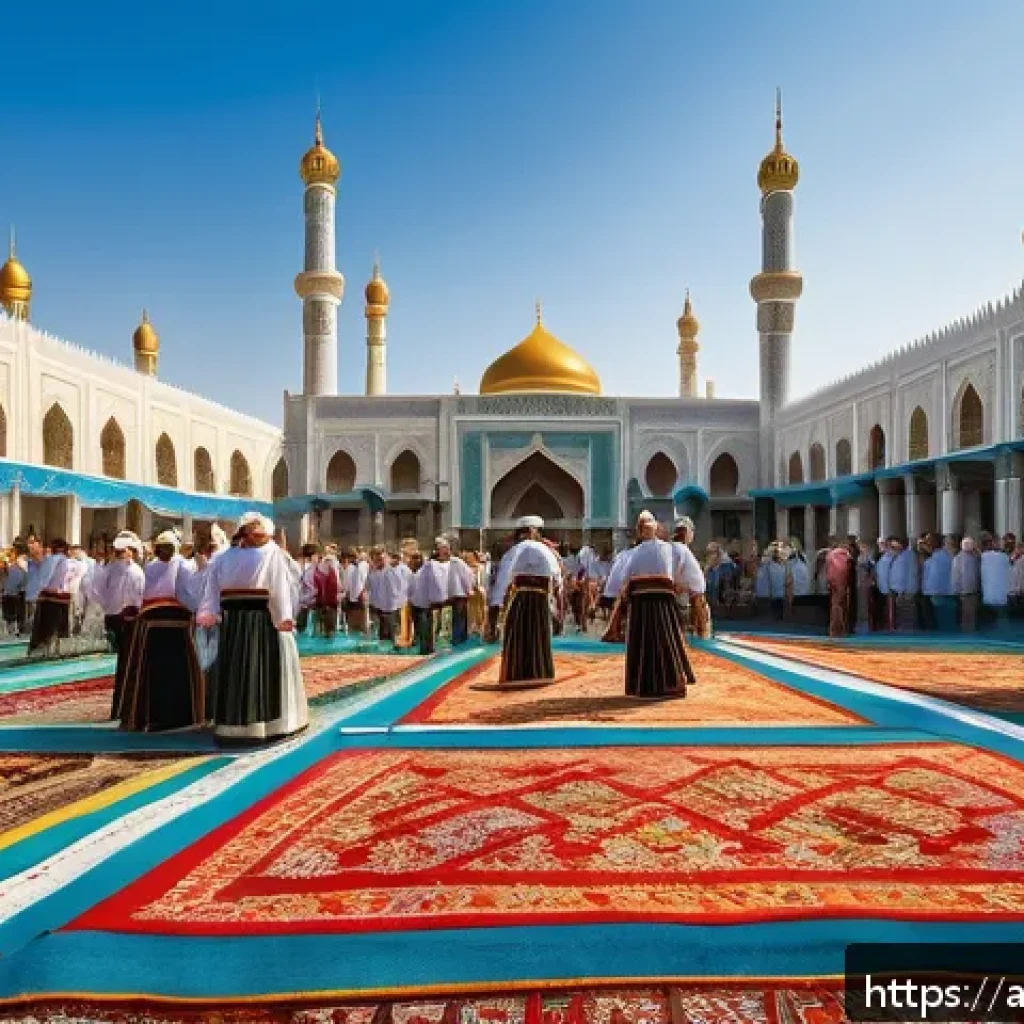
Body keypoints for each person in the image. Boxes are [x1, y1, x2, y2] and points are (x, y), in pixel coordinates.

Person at [198, 512, 308, 744]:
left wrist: (283, 617)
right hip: (240, 620)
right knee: (244, 669)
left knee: (256, 668)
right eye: (254, 532)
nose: (259, 537)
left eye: (261, 532)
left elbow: (279, 587)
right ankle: (235, 727)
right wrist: (209, 612)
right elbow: (212, 587)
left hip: (259, 621)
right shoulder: (225, 557)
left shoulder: (270, 553)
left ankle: (261, 724)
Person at [119, 530, 203, 733]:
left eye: (167, 548)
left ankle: (167, 717)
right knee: (158, 672)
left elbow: (185, 595)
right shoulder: (166, 566)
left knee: (163, 671)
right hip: (163, 628)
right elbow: (186, 595)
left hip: (165, 627)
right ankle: (161, 716)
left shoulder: (174, 565)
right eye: (161, 548)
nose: (164, 552)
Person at [617, 510, 697, 699]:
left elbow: (624, 579)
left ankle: (642, 685)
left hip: (641, 605)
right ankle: (670, 683)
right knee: (666, 639)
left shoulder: (632, 554)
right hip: (663, 603)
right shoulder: (670, 549)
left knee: (642, 641)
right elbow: (679, 574)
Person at [490, 515, 562, 685]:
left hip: (520, 600)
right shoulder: (548, 552)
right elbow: (557, 580)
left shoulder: (513, 552)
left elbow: (503, 582)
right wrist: (556, 609)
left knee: (518, 636)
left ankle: (517, 673)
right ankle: (541, 672)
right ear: (533, 531)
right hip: (541, 600)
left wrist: (496, 608)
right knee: (539, 634)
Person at [94, 530, 145, 719]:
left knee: (128, 663)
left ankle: (124, 707)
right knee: (125, 663)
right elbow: (96, 589)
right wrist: (109, 608)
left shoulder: (135, 571)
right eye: (118, 552)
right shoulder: (112, 570)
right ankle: (121, 707)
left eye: (123, 551)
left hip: (128, 619)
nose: (121, 555)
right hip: (119, 619)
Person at [28, 538, 73, 654]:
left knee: (47, 626)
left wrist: (37, 592)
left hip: (51, 598)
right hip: (62, 597)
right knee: (60, 626)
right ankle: (59, 649)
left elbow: (45, 576)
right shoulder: (67, 561)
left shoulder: (54, 559)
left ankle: (43, 649)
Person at [672, 517, 710, 638]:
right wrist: (678, 586)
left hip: (694, 595)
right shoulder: (678, 548)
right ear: (687, 533)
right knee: (698, 632)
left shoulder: (681, 548)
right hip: (690, 596)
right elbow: (675, 568)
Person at [366, 545, 405, 643]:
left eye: (381, 556)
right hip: (378, 609)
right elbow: (368, 587)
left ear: (385, 556)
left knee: (394, 636)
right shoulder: (372, 572)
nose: (379, 559)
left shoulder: (394, 569)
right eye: (376, 557)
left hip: (393, 609)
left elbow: (401, 587)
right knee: (382, 637)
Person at [921, 533, 955, 632]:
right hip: (945, 593)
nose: (925, 544)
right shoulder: (947, 557)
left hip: (937, 594)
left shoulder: (936, 559)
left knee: (941, 624)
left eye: (927, 542)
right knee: (946, 623)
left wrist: (926, 592)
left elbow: (932, 579)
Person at [979, 531, 1011, 629]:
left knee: (998, 618)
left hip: (993, 595)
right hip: (997, 595)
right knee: (999, 618)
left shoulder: (985, 557)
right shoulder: (987, 557)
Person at [824, 536, 853, 637]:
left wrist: (829, 582)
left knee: (835, 606)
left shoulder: (829, 555)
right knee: (841, 606)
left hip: (833, 583)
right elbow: (847, 570)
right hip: (842, 583)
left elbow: (828, 571)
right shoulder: (845, 555)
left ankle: (833, 630)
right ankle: (840, 630)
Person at [407, 550, 434, 654]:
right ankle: (421, 648)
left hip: (425, 604)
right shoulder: (411, 571)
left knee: (425, 627)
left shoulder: (426, 570)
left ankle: (426, 649)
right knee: (418, 627)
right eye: (413, 558)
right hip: (414, 604)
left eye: (417, 558)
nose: (415, 560)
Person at [952, 537, 980, 631]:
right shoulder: (974, 558)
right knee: (970, 616)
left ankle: (966, 634)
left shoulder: (957, 558)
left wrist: (955, 591)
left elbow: (955, 577)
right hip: (970, 592)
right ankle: (969, 634)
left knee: (965, 616)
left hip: (963, 592)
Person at [314, 544, 342, 638]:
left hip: (324, 602)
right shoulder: (330, 571)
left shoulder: (321, 570)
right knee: (329, 630)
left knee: (322, 629)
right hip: (328, 602)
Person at [2, 547, 27, 636]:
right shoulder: (5, 567)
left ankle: (17, 630)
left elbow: (23, 579)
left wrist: (21, 589)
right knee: (7, 614)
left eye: (12, 554)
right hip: (6, 593)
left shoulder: (19, 568)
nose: (10, 556)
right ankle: (10, 630)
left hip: (15, 594)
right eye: (9, 554)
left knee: (16, 613)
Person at [874, 538, 895, 631]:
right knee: (882, 607)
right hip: (880, 586)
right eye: (879, 544)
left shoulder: (892, 556)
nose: (881, 546)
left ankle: (891, 626)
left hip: (889, 586)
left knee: (890, 607)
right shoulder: (879, 557)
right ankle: (884, 625)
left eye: (883, 544)